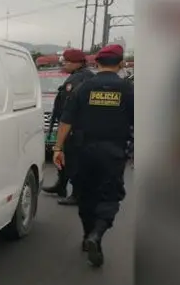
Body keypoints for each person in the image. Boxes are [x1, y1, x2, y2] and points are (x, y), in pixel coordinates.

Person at [52, 44, 134, 267]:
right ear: (120, 63)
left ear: (97, 63)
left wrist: (58, 149)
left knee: (86, 196)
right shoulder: (128, 90)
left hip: (83, 151)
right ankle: (96, 234)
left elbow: (66, 121)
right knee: (109, 196)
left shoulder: (84, 88)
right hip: (114, 152)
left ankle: (87, 234)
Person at [43, 48, 95, 204]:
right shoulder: (82, 76)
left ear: (77, 63)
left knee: (74, 160)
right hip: (77, 125)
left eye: (67, 61)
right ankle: (61, 185)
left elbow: (70, 106)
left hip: (74, 127)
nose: (63, 64)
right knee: (65, 157)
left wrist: (65, 126)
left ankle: (77, 194)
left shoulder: (78, 80)